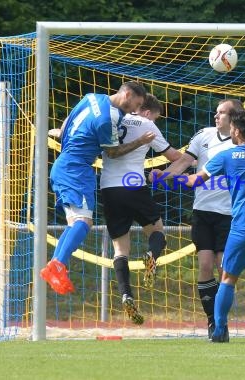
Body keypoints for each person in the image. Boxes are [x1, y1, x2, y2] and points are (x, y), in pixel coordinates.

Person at [150, 99, 245, 339]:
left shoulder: (229, 156)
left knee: (228, 277)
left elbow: (194, 181)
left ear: (237, 130)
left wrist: (168, 179)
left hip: (243, 226)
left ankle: (220, 328)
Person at [40, 81, 154, 295]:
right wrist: (140, 141)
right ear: (127, 94)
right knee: (83, 223)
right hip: (76, 170)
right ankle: (56, 265)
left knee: (76, 222)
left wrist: (63, 134)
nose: (134, 110)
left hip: (65, 166)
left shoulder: (92, 97)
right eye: (135, 104)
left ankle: (56, 264)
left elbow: (67, 123)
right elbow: (112, 153)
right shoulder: (108, 117)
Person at [100, 94, 182, 324]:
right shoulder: (147, 124)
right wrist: (196, 160)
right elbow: (173, 156)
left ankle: (126, 294)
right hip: (133, 183)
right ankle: (151, 255)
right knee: (158, 232)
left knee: (120, 249)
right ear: (147, 112)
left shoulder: (114, 118)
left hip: (109, 187)